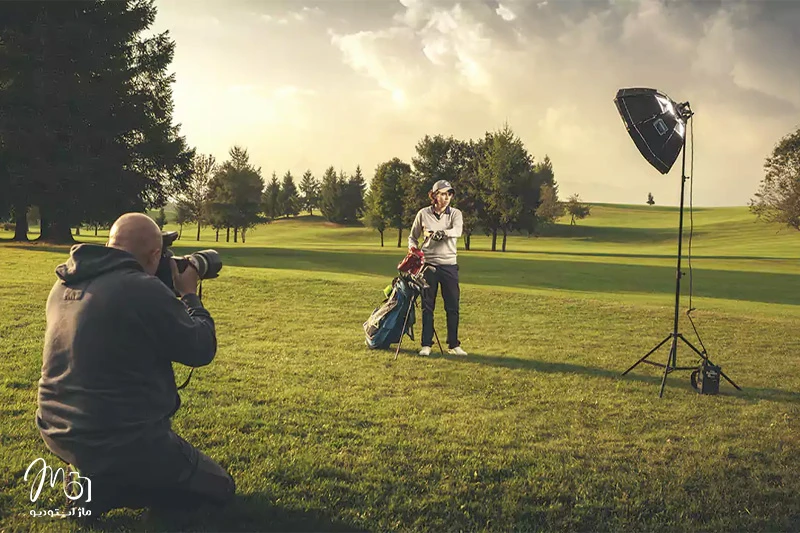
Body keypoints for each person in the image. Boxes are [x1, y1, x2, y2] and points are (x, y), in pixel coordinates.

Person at [36, 212, 234, 516]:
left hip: (57, 429)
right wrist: (191, 295)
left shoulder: (63, 284)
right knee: (220, 488)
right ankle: (132, 486)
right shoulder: (141, 289)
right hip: (125, 439)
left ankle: (97, 486)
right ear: (155, 254)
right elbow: (200, 349)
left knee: (117, 454)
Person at [408, 180, 468, 357]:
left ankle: (454, 345)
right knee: (428, 306)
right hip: (429, 266)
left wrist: (443, 233)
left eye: (449, 194)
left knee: (453, 306)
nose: (447, 197)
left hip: (449, 265)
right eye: (443, 194)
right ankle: (426, 344)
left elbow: (457, 230)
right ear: (434, 195)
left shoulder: (456, 213)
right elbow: (412, 237)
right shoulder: (423, 214)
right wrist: (413, 250)